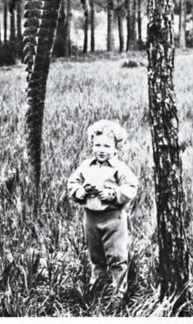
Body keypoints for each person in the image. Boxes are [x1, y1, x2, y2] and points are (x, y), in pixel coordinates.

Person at [67, 119, 138, 295]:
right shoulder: (86, 166)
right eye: (97, 145)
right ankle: (97, 285)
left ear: (116, 148)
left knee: (116, 256)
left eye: (106, 146)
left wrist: (113, 194)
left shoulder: (119, 168)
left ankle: (118, 292)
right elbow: (72, 182)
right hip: (90, 218)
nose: (101, 150)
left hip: (113, 219)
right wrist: (79, 191)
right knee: (96, 255)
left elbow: (131, 187)